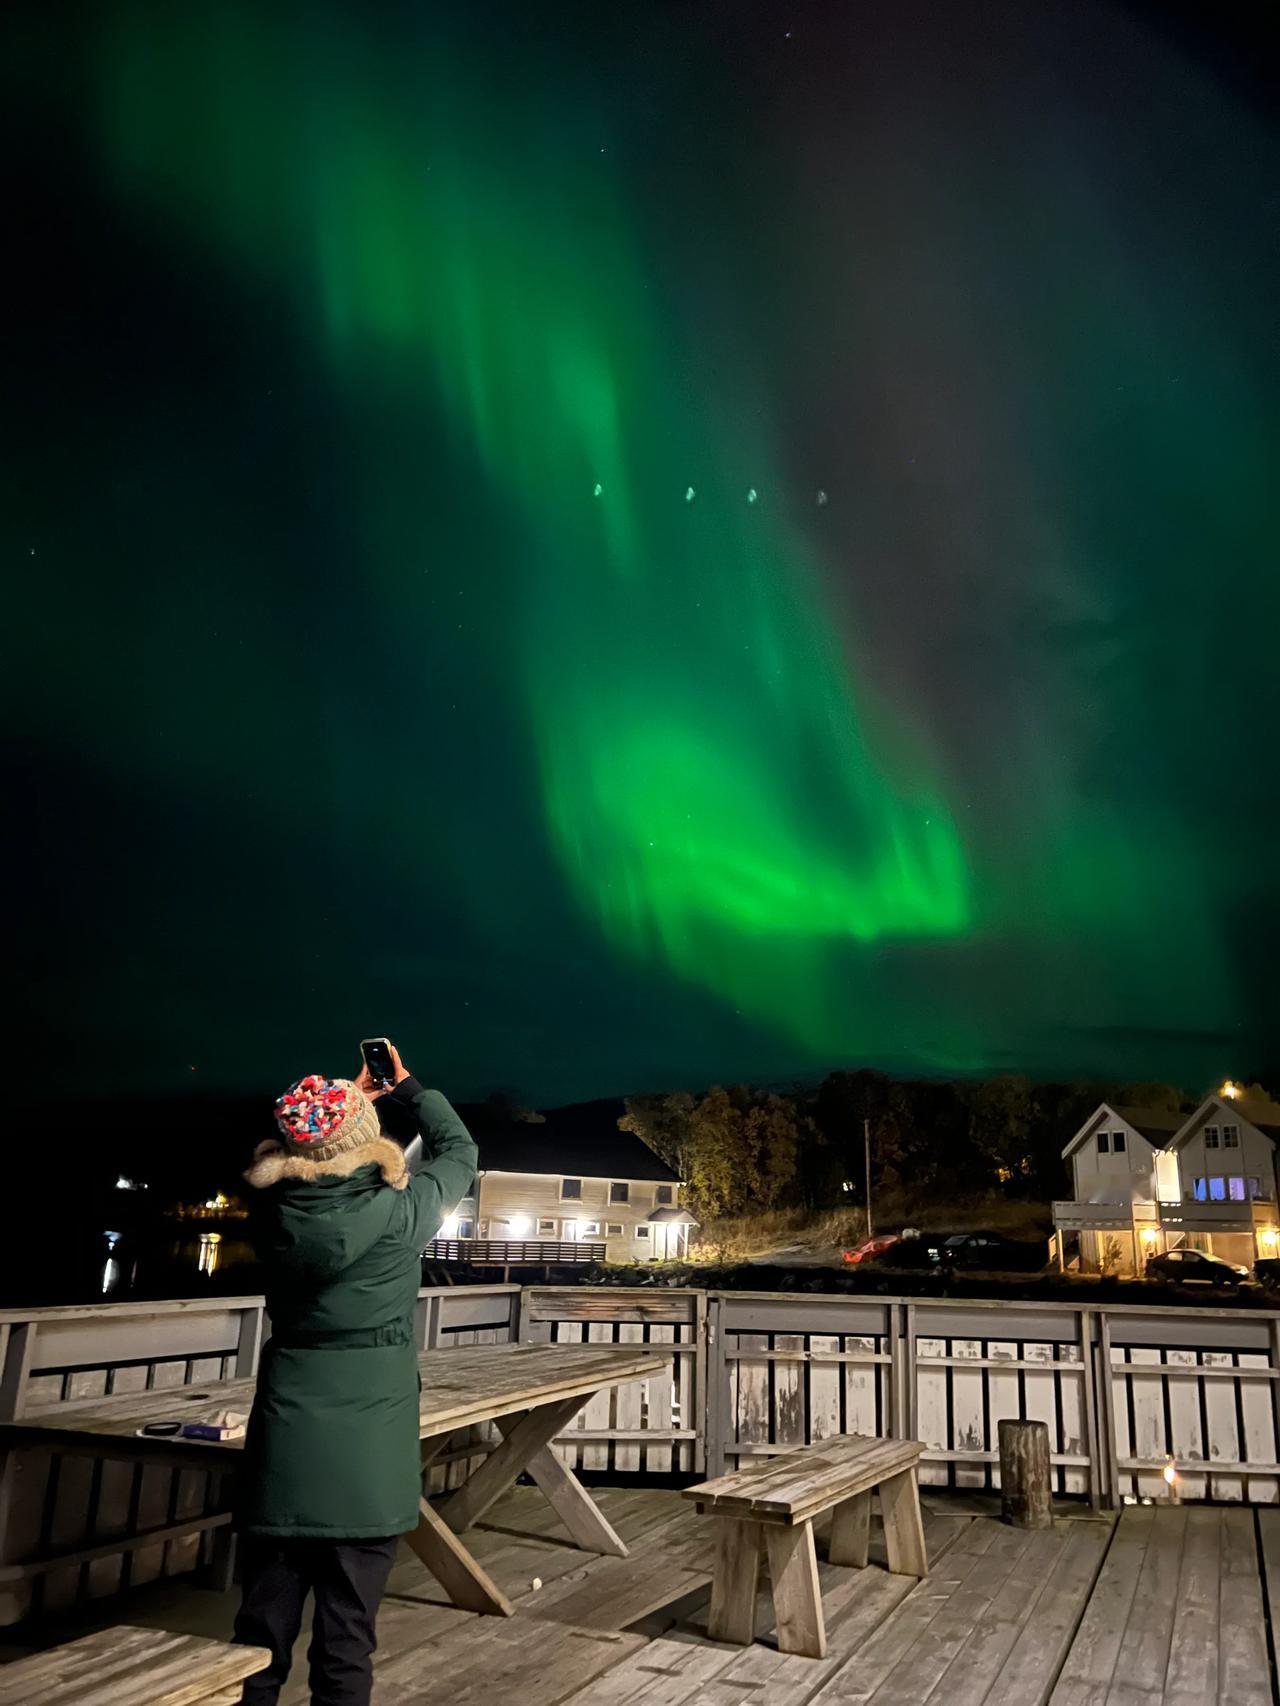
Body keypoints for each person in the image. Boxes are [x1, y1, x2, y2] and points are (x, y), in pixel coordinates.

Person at [233, 1045, 477, 1706]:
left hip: (284, 1458)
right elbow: (459, 1149)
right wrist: (405, 1088)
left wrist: (345, 1112)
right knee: (347, 1644)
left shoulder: (270, 1212)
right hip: (369, 1467)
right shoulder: (403, 1213)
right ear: (364, 1141)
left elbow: (304, 1161)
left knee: (256, 1644)